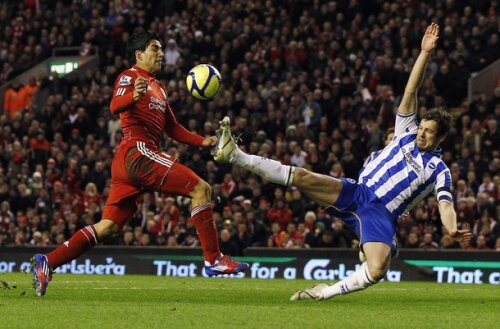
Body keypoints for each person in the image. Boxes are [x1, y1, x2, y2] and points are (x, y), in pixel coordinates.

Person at [212, 23, 471, 301]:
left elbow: (445, 204)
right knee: (302, 177)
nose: (421, 133)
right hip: (356, 192)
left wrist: (451, 227)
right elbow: (410, 92)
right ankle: (234, 154)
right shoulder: (406, 130)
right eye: (422, 127)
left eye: (429, 132)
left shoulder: (439, 170)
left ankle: (324, 293)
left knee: (378, 268)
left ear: (440, 137)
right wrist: (424, 54)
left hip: (380, 214)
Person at [31, 31, 248, 296]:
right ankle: (214, 259)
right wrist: (132, 96)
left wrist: (204, 142)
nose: (160, 54)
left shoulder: (159, 87)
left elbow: (173, 128)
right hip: (137, 151)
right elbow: (114, 106)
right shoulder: (129, 76)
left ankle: (48, 262)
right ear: (139, 54)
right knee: (201, 189)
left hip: (131, 162)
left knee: (108, 226)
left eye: (160, 50)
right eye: (154, 49)